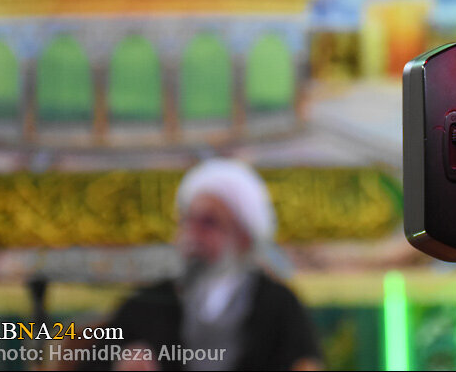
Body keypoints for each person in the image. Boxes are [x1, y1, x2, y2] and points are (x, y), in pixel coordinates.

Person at [103, 158, 322, 371]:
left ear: (243, 238)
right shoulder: (148, 302)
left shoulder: (278, 305)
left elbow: (304, 362)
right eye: (187, 220)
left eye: (209, 222)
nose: (193, 234)